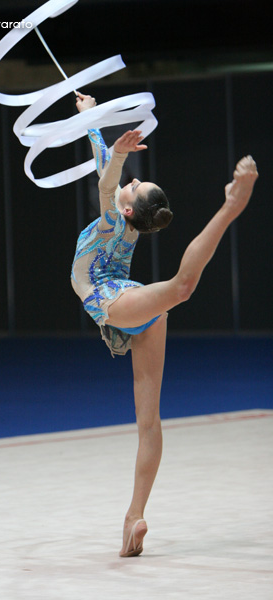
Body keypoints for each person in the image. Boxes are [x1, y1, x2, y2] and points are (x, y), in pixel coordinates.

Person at [71, 92, 258, 557]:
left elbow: (106, 176)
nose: (128, 182)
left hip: (114, 299)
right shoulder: (125, 217)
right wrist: (88, 116)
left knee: (179, 287)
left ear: (128, 209)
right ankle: (133, 518)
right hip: (132, 307)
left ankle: (231, 207)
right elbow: (104, 169)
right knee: (149, 423)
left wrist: (112, 151)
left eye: (133, 186)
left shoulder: (114, 221)